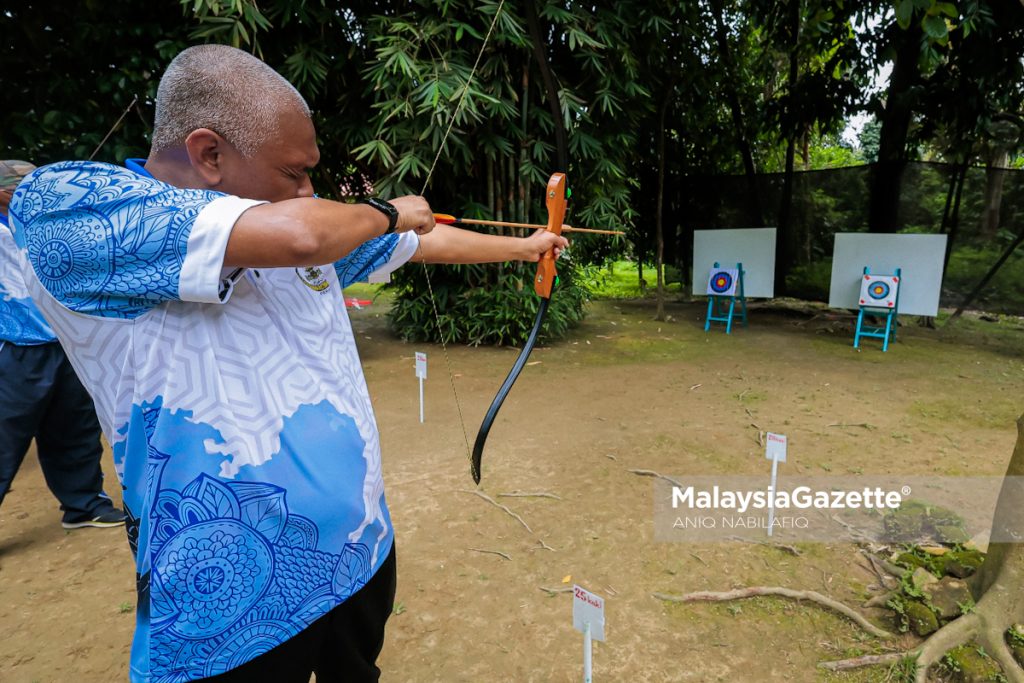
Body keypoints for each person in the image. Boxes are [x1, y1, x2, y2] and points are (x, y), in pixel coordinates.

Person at [8, 45, 567, 682]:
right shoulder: (73, 207)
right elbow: (312, 232)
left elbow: (418, 241)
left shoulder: (297, 227)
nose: (308, 190)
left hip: (360, 550)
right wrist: (385, 210)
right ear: (208, 154)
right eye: (293, 173)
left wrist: (525, 248)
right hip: (229, 606)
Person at [0, 159, 125, 529]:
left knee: (75, 427)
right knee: (5, 432)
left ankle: (84, 505)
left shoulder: (51, 222)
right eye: (21, 185)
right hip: (17, 347)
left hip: (67, 338)